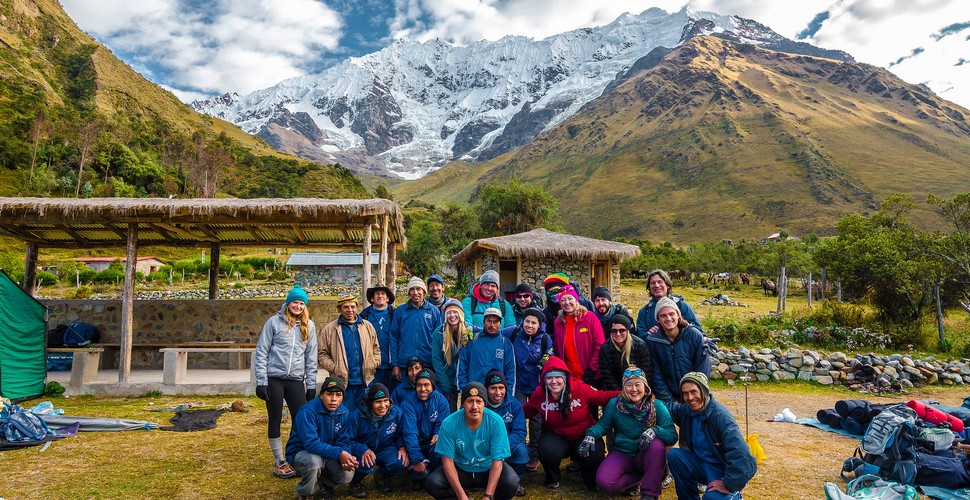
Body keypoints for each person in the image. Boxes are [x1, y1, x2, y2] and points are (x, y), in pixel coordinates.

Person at [522, 356, 619, 491]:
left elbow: (604, 397)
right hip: (556, 435)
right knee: (545, 449)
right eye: (549, 378)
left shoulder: (580, 388)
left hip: (584, 434)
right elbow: (525, 411)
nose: (554, 381)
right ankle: (552, 478)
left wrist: (628, 394)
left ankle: (590, 480)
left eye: (558, 377)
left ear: (565, 378)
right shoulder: (539, 394)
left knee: (594, 452)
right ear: (544, 379)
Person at [582, 366, 677, 500]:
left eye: (638, 384)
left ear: (645, 386)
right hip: (622, 451)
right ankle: (640, 479)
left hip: (645, 453)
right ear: (623, 387)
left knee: (656, 445)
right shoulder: (614, 404)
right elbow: (603, 425)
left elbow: (672, 436)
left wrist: (656, 430)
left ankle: (649, 494)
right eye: (629, 385)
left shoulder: (657, 406)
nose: (634, 389)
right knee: (605, 482)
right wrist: (590, 434)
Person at [254, 284, 318, 479]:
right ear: (288, 304)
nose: (297, 306)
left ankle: (292, 456)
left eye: (301, 303)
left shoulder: (310, 326)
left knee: (299, 419)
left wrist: (312, 384)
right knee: (275, 417)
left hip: (296, 380)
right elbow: (262, 351)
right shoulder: (274, 323)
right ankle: (279, 459)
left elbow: (311, 356)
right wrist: (261, 381)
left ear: (305, 306)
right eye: (294, 302)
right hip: (274, 378)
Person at [666, 372, 757, 500]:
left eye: (694, 392)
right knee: (675, 456)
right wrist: (646, 399)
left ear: (704, 391)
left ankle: (734, 495)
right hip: (701, 465)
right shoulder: (686, 411)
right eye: (685, 393)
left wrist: (729, 484)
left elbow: (744, 457)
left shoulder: (720, 416)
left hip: (722, 471)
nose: (690, 397)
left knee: (712, 498)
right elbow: (666, 409)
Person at [425, 382, 520, 500]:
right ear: (463, 403)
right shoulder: (449, 423)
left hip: (487, 468)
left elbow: (497, 461)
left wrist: (488, 495)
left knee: (511, 483)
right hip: (461, 468)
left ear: (484, 404)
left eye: (479, 401)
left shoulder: (496, 422)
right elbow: (448, 462)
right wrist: (461, 495)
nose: (474, 406)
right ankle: (464, 496)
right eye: (470, 401)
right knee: (432, 483)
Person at [285, 376, 358, 500]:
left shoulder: (344, 413)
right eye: (329, 394)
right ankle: (306, 493)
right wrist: (339, 453)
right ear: (321, 395)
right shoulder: (307, 411)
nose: (334, 399)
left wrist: (347, 455)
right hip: (303, 452)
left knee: (348, 474)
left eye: (338, 395)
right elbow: (311, 443)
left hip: (328, 453)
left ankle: (324, 484)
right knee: (314, 462)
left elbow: (344, 441)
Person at [346, 383, 423, 498]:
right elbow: (348, 440)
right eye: (378, 402)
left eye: (385, 400)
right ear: (370, 403)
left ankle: (382, 475)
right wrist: (363, 449)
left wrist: (402, 447)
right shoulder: (357, 416)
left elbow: (402, 433)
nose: (383, 405)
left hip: (386, 448)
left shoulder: (396, 413)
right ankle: (356, 482)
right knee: (367, 464)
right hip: (364, 450)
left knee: (401, 462)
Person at [500, 307, 552, 472]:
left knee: (536, 421)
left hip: (536, 386)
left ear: (539, 325)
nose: (529, 325)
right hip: (518, 385)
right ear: (523, 322)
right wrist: (469, 328)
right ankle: (518, 451)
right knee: (518, 417)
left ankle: (534, 454)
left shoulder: (544, 339)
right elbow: (492, 331)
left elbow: (549, 355)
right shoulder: (514, 332)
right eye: (527, 321)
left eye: (533, 323)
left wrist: (542, 363)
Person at [318, 294, 381, 410]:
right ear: (339, 309)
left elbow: (376, 348)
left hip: (365, 381)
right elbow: (322, 354)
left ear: (357, 307)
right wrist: (335, 367)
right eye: (345, 307)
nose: (350, 310)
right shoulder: (329, 329)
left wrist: (374, 363)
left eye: (352, 306)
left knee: (364, 415)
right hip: (343, 383)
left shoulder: (367, 326)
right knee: (345, 416)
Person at [647, 296, 711, 403]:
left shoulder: (694, 335)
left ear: (678, 315)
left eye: (671, 314)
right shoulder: (653, 341)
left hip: (695, 396)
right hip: (668, 397)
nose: (668, 318)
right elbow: (656, 374)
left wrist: (693, 395)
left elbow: (702, 367)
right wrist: (669, 401)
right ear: (658, 319)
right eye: (663, 315)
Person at [399, 369, 451, 488]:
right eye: (419, 385)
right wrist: (417, 459)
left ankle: (435, 473)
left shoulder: (441, 400)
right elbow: (409, 432)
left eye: (426, 384)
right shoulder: (408, 402)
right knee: (421, 474)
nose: (422, 389)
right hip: (416, 445)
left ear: (433, 385)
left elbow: (443, 424)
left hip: (433, 445)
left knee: (442, 453)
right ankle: (417, 473)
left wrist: (438, 434)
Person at [484, 369, 530, 497]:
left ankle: (516, 481)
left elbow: (520, 431)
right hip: (486, 445)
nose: (498, 392)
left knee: (522, 451)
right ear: (486, 389)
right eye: (493, 388)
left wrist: (503, 446)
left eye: (501, 388)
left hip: (507, 445)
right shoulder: (480, 404)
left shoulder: (514, 404)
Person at [389, 276, 442, 382]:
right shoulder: (400, 311)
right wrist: (395, 364)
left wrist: (438, 363)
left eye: (418, 289)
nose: (415, 292)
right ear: (409, 293)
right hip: (405, 364)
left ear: (424, 292)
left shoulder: (434, 311)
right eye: (412, 289)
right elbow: (394, 337)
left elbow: (439, 339)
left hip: (428, 363)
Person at [552, 285, 605, 386]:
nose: (567, 303)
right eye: (563, 300)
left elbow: (600, 345)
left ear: (576, 300)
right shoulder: (558, 322)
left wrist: (591, 370)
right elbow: (558, 348)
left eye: (570, 298)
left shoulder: (589, 317)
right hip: (570, 377)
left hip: (591, 375)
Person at [431, 299, 478, 411]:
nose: (452, 315)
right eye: (449, 313)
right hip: (447, 379)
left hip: (466, 379)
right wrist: (445, 384)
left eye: (455, 312)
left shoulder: (469, 332)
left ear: (461, 314)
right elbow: (436, 360)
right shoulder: (439, 333)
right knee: (449, 411)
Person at [456, 307, 516, 394]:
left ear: (500, 323)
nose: (492, 325)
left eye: (495, 322)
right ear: (484, 321)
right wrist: (463, 389)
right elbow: (462, 365)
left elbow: (510, 372)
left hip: (496, 394)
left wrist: (509, 394)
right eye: (489, 321)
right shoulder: (472, 340)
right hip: (473, 391)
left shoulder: (505, 344)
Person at [636, 269, 702, 339]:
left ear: (667, 285)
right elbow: (640, 339)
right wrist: (649, 335)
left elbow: (698, 332)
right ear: (649, 287)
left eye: (660, 282)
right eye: (653, 283)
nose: (657, 285)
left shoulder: (682, 306)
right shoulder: (644, 312)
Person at [599, 315, 651, 391]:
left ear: (628, 330)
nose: (618, 334)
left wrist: (642, 392)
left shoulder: (640, 345)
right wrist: (621, 394)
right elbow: (608, 376)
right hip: (616, 391)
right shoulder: (605, 349)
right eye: (614, 331)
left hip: (638, 389)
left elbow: (646, 372)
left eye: (622, 330)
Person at [360, 285, 396, 391]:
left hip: (391, 365)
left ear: (388, 298)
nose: (380, 296)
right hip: (372, 367)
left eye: (383, 294)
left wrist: (395, 363)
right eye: (377, 294)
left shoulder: (395, 314)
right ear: (372, 298)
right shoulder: (364, 316)